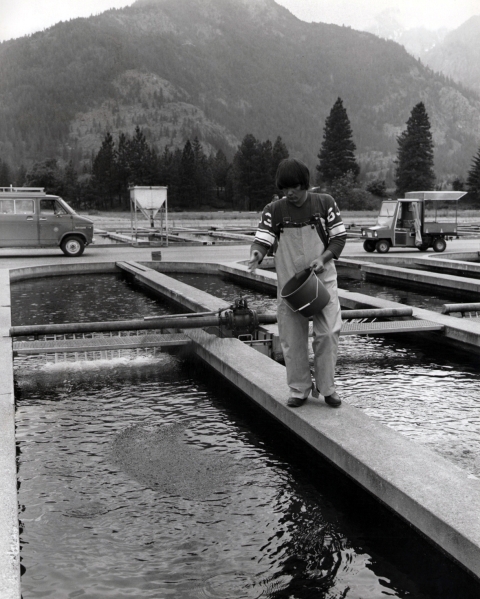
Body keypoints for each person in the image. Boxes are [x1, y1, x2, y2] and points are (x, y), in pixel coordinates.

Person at [248, 158, 347, 408]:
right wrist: (257, 253)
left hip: (322, 279)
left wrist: (323, 258)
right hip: (290, 285)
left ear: (305, 184)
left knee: (328, 333)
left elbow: (338, 239)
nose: (289, 193)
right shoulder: (274, 210)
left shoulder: (325, 203)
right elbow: (264, 238)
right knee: (292, 338)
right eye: (285, 189)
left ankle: (327, 388)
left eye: (294, 188)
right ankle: (299, 388)